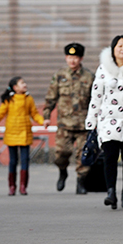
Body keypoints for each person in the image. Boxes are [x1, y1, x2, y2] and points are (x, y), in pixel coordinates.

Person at [85, 35, 123, 210]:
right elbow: (96, 96)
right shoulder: (103, 69)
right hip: (108, 121)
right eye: (120, 46)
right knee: (110, 156)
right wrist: (91, 121)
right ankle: (111, 192)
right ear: (113, 50)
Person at [43, 42, 95, 194]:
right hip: (64, 124)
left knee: (83, 156)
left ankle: (81, 182)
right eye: (69, 57)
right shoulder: (60, 76)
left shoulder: (89, 77)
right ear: (66, 58)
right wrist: (46, 116)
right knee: (61, 154)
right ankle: (62, 172)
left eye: (76, 57)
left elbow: (96, 100)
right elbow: (51, 97)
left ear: (81, 58)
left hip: (83, 124)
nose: (72, 60)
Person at [0, 76, 45, 196]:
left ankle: (23, 186)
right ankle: (12, 186)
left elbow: (34, 114)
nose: (25, 85)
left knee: (25, 160)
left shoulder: (29, 99)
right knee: (13, 161)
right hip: (11, 134)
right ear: (15, 87)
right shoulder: (9, 100)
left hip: (25, 134)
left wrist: (43, 121)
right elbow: (0, 114)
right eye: (22, 83)